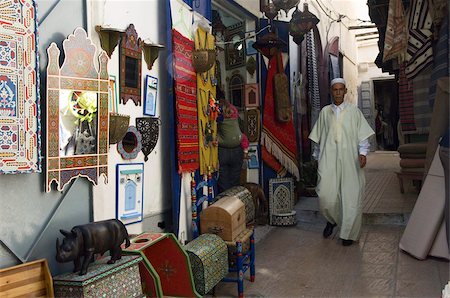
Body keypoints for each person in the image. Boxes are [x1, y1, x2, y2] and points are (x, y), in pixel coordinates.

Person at [309, 78, 375, 246]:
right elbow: (319, 137)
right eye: (335, 90)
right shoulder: (325, 112)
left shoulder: (354, 112)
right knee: (325, 194)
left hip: (350, 159)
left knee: (350, 196)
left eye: (341, 89)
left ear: (345, 91)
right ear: (331, 91)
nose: (338, 92)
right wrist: (317, 157)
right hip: (328, 159)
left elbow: (362, 135)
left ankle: (348, 234)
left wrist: (363, 153)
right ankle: (332, 220)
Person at [216, 88, 249, 193]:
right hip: (237, 149)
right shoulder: (233, 109)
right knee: (234, 183)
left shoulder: (217, 110)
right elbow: (240, 128)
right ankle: (233, 207)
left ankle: (224, 206)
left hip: (223, 150)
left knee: (223, 183)